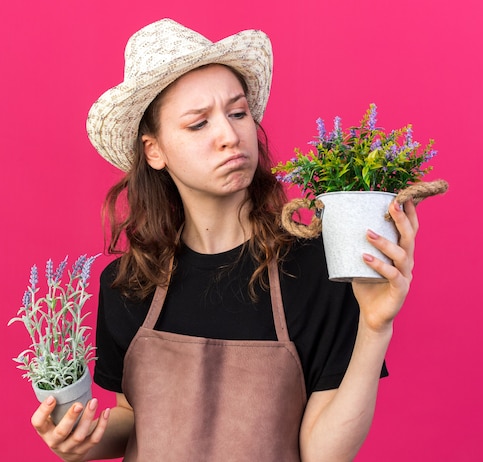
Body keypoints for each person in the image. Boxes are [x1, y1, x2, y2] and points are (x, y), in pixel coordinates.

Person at [31, 18, 418, 462]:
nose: (229, 136)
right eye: (198, 124)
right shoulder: (128, 282)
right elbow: (137, 416)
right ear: (154, 150)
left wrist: (375, 326)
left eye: (238, 113)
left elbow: (322, 454)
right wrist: (81, 441)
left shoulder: (314, 268)